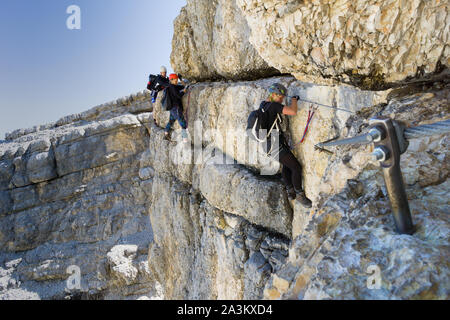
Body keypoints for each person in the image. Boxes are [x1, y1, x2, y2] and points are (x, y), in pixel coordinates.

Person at [259, 83, 312, 208]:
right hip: (275, 145)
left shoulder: (263, 105)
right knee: (296, 167)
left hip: (268, 145)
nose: (282, 99)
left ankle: (290, 191)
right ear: (273, 95)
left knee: (286, 166)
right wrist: (294, 100)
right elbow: (292, 111)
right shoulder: (273, 105)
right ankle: (299, 194)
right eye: (280, 96)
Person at [164, 73, 188, 142]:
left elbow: (184, 86)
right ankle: (185, 139)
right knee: (183, 123)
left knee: (171, 121)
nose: (176, 81)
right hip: (176, 108)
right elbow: (178, 96)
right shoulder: (173, 87)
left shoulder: (172, 86)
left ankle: (166, 133)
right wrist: (183, 92)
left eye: (177, 80)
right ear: (171, 80)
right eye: (175, 80)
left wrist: (181, 80)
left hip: (172, 109)